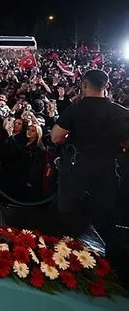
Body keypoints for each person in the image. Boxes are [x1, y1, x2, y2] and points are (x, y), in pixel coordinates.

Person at [51, 69, 129, 279]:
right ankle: (108, 275)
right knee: (105, 224)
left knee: (68, 222)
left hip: (76, 176)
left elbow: (56, 137)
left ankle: (64, 270)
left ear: (84, 85)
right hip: (106, 175)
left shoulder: (76, 109)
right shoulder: (120, 112)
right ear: (106, 86)